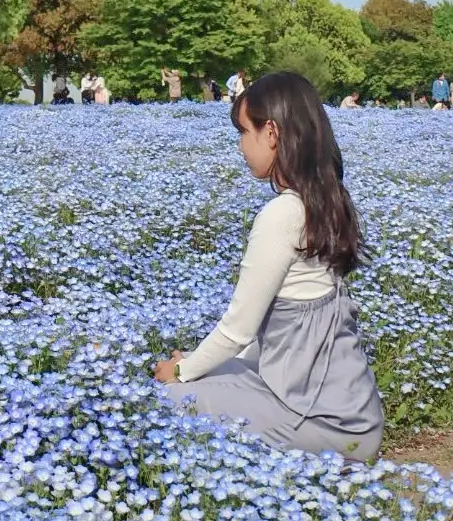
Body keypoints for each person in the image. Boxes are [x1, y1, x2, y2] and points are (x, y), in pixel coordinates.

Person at [155, 72, 384, 462]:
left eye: (244, 132)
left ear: (272, 133)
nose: (241, 146)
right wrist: (199, 365)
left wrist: (179, 374)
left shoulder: (282, 215)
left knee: (168, 399)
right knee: (211, 373)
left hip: (320, 425)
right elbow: (277, 339)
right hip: (356, 416)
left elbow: (237, 329)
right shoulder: (325, 204)